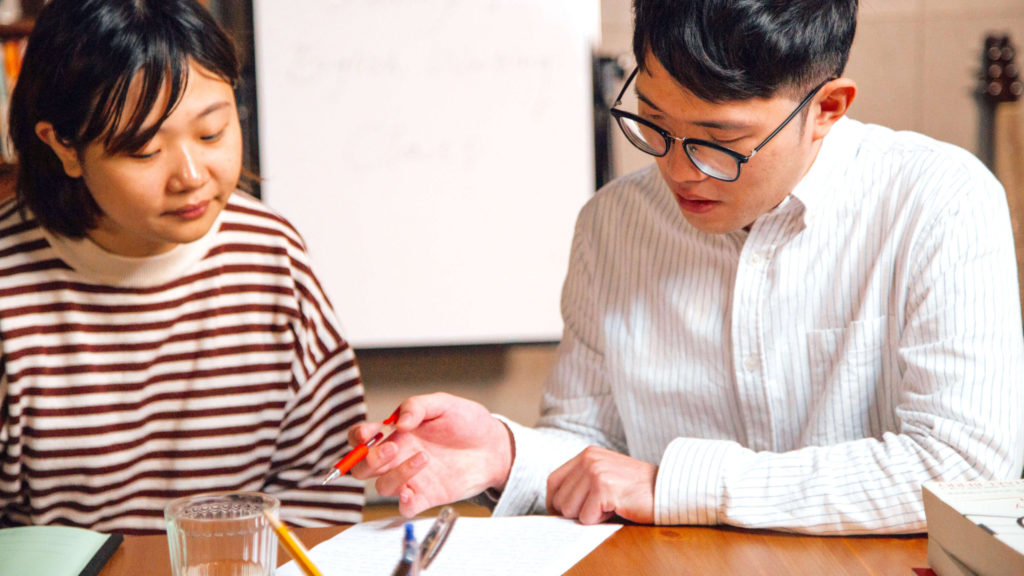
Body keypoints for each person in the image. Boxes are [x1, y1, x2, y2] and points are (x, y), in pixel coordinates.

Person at [351, 0, 1024, 535]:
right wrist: (506, 452)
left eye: (717, 142)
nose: (677, 170)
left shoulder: (940, 203)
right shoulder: (613, 225)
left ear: (826, 109)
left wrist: (674, 485)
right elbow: (590, 450)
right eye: (652, 123)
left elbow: (962, 471)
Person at [0, 0, 366, 534]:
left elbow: (324, 486)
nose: (192, 175)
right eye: (145, 149)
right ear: (64, 146)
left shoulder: (271, 258)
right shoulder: (11, 286)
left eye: (212, 133)